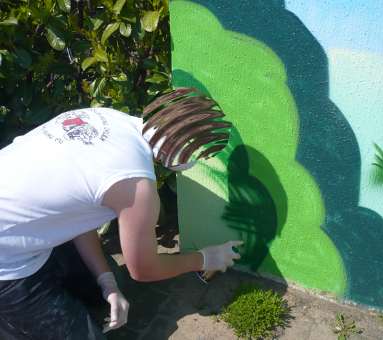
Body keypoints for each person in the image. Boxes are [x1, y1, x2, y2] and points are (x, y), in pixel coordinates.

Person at [0, 105, 242, 339]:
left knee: (112, 284)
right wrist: (204, 259)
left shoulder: (106, 116)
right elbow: (144, 270)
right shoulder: (137, 189)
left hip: (15, 222)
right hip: (7, 263)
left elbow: (77, 211)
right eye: (199, 154)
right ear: (181, 149)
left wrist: (107, 282)